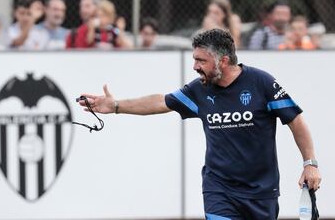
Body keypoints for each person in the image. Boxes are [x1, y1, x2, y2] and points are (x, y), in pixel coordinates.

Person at [76, 29, 321, 219]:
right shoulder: (199, 91)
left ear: (223, 61)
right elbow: (161, 102)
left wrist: (310, 164)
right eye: (194, 59)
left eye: (201, 60)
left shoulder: (262, 83)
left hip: (261, 191)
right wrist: (116, 105)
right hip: (219, 188)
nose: (195, 66)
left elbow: (295, 120)